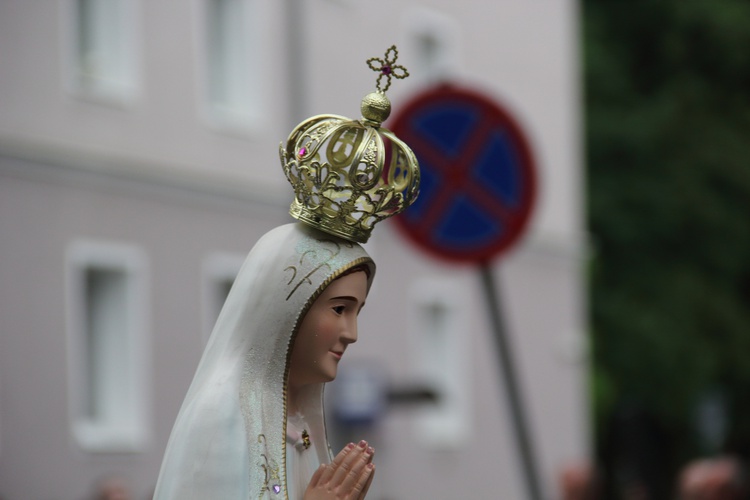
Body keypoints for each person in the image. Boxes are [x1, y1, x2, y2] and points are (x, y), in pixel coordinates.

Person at [153, 46, 419, 499]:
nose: (351, 333)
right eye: (339, 308)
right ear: (284, 307)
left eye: (357, 311)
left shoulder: (300, 421)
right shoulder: (224, 416)